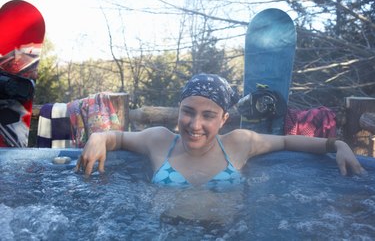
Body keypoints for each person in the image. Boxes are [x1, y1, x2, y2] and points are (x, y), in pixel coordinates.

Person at [76, 73, 366, 187]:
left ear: (224, 118)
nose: (195, 124)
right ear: (179, 110)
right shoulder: (159, 140)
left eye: (208, 115)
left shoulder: (239, 143)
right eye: (188, 111)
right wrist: (99, 136)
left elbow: (288, 142)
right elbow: (119, 137)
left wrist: (336, 145)